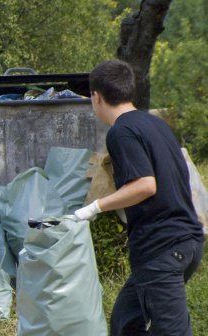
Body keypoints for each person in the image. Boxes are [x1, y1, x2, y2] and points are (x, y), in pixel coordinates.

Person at [74, 59, 204, 336]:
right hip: (183, 243)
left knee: (172, 331)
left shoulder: (122, 132)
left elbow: (145, 185)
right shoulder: (155, 124)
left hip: (163, 247)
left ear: (96, 97)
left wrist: (95, 207)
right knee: (125, 321)